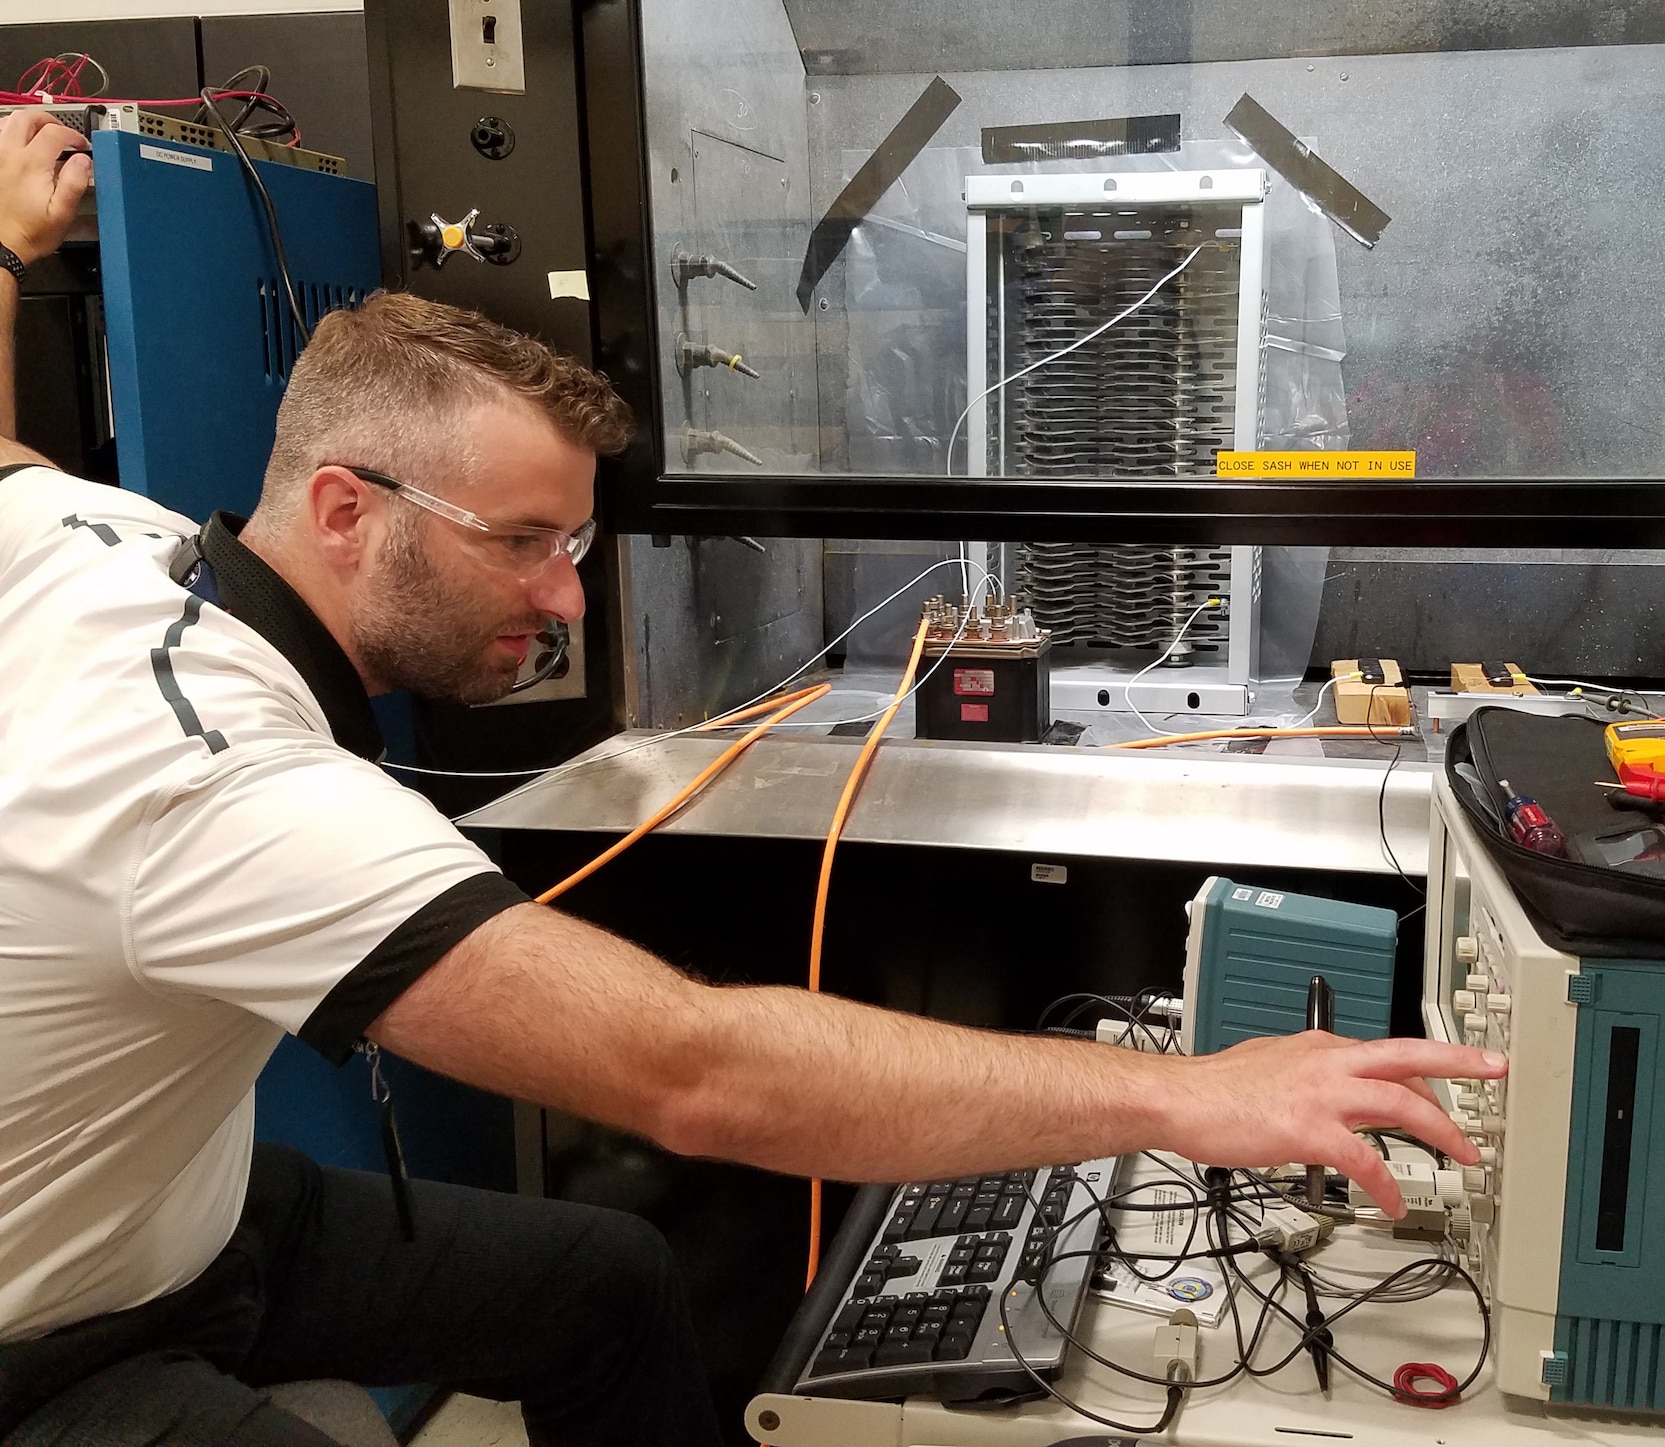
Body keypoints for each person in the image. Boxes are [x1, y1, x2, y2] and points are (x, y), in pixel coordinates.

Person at [0, 110, 1506, 1446]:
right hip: (49, 1342)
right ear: (343, 508)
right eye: (521, 541)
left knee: (608, 1280)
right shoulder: (223, 788)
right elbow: (698, 1072)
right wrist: (1184, 1102)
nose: (568, 602)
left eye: (575, 548)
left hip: (179, 1220)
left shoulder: (96, 540)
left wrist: (9, 251)